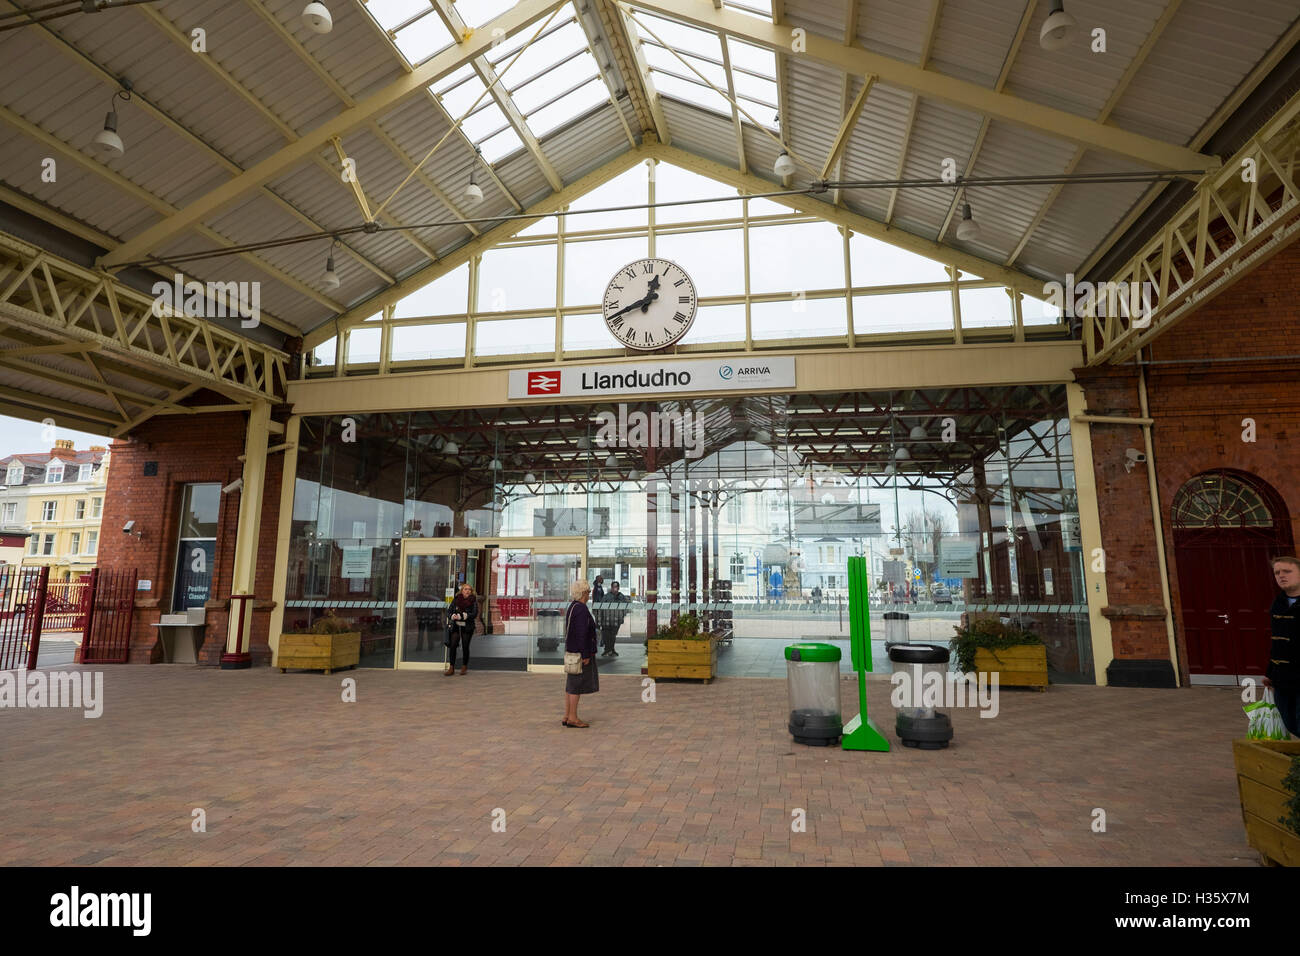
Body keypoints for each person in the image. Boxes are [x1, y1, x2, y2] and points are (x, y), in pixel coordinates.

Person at [1265, 556, 1300, 737]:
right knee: (1290, 722)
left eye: (1287, 571)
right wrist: (1270, 672)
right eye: (1277, 572)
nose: (1281, 576)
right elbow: (1277, 641)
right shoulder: (1278, 604)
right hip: (1282, 678)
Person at [562, 579, 598, 727]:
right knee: (576, 685)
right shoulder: (582, 609)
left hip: (571, 651)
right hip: (579, 653)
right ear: (583, 593)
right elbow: (582, 633)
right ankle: (573, 718)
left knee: (571, 684)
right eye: (588, 591)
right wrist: (586, 654)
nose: (589, 594)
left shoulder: (572, 606)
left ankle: (567, 715)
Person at [444, 583, 478, 676]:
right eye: (465, 589)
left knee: (465, 646)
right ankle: (451, 667)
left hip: (467, 627)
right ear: (461, 590)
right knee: (453, 645)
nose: (467, 591)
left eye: (469, 589)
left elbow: (474, 614)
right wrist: (452, 615)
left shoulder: (473, 600)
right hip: (456, 626)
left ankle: (464, 666)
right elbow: (449, 611)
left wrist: (463, 616)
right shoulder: (456, 599)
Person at [598, 580, 630, 657]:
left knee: (613, 635)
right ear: (611, 587)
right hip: (606, 620)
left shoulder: (621, 596)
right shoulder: (606, 596)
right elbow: (601, 607)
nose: (615, 588)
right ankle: (607, 649)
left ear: (618, 588)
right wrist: (600, 619)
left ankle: (611, 649)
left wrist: (622, 616)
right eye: (614, 587)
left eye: (616, 587)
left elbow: (625, 607)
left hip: (616, 620)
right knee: (606, 635)